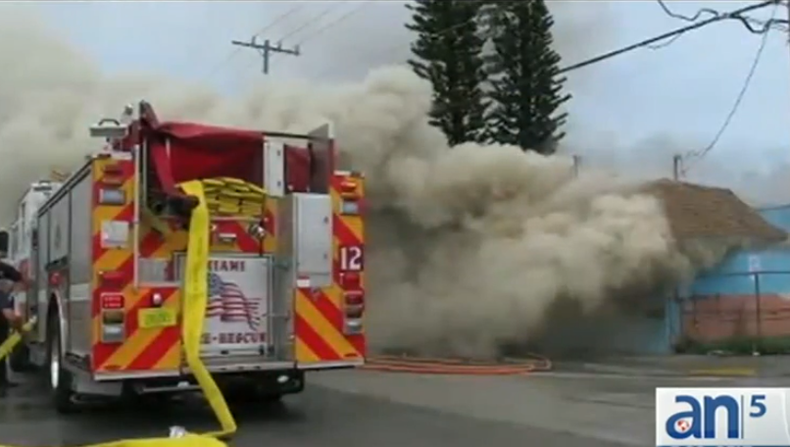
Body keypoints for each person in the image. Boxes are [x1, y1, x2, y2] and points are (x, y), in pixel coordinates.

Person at [0, 261, 23, 390]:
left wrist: (15, 288)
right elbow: (8, 313)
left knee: (2, 349)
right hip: (2, 314)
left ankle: (2, 381)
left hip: (1, 321)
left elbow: (19, 278)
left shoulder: (3, 268)